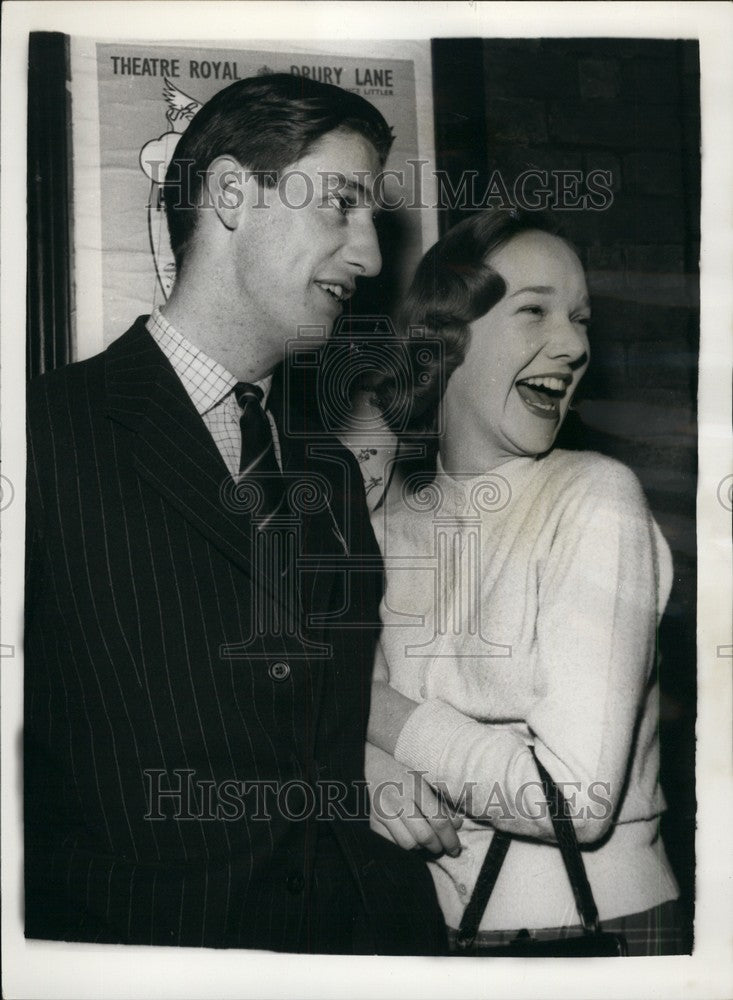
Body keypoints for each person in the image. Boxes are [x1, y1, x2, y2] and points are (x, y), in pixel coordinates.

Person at [24, 73, 447, 955]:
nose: (369, 257)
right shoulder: (37, 437)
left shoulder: (327, 471)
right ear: (228, 195)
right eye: (341, 205)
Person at [365, 208, 682, 954]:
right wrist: (364, 758)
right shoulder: (383, 526)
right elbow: (345, 722)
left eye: (579, 320)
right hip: (434, 931)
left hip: (593, 932)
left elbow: (577, 801)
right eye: (533, 309)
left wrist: (370, 712)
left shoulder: (595, 496)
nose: (573, 345)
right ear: (444, 339)